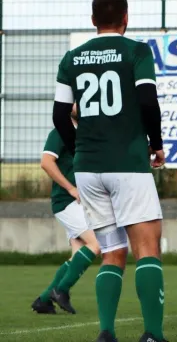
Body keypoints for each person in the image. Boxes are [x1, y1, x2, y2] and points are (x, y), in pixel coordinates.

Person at [51, 0, 167, 342]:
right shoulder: (136, 51)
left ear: (92, 20)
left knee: (112, 251)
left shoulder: (71, 58)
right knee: (147, 249)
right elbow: (148, 100)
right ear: (126, 18)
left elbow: (59, 116)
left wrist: (80, 150)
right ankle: (152, 335)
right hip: (128, 163)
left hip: (88, 168)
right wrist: (157, 145)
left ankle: (105, 332)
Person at [31, 104, 115, 315]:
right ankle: (60, 290)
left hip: (80, 202)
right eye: (75, 100)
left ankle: (43, 300)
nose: (80, 104)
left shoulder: (86, 135)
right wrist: (70, 188)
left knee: (77, 254)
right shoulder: (61, 131)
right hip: (66, 201)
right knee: (96, 243)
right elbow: (46, 162)